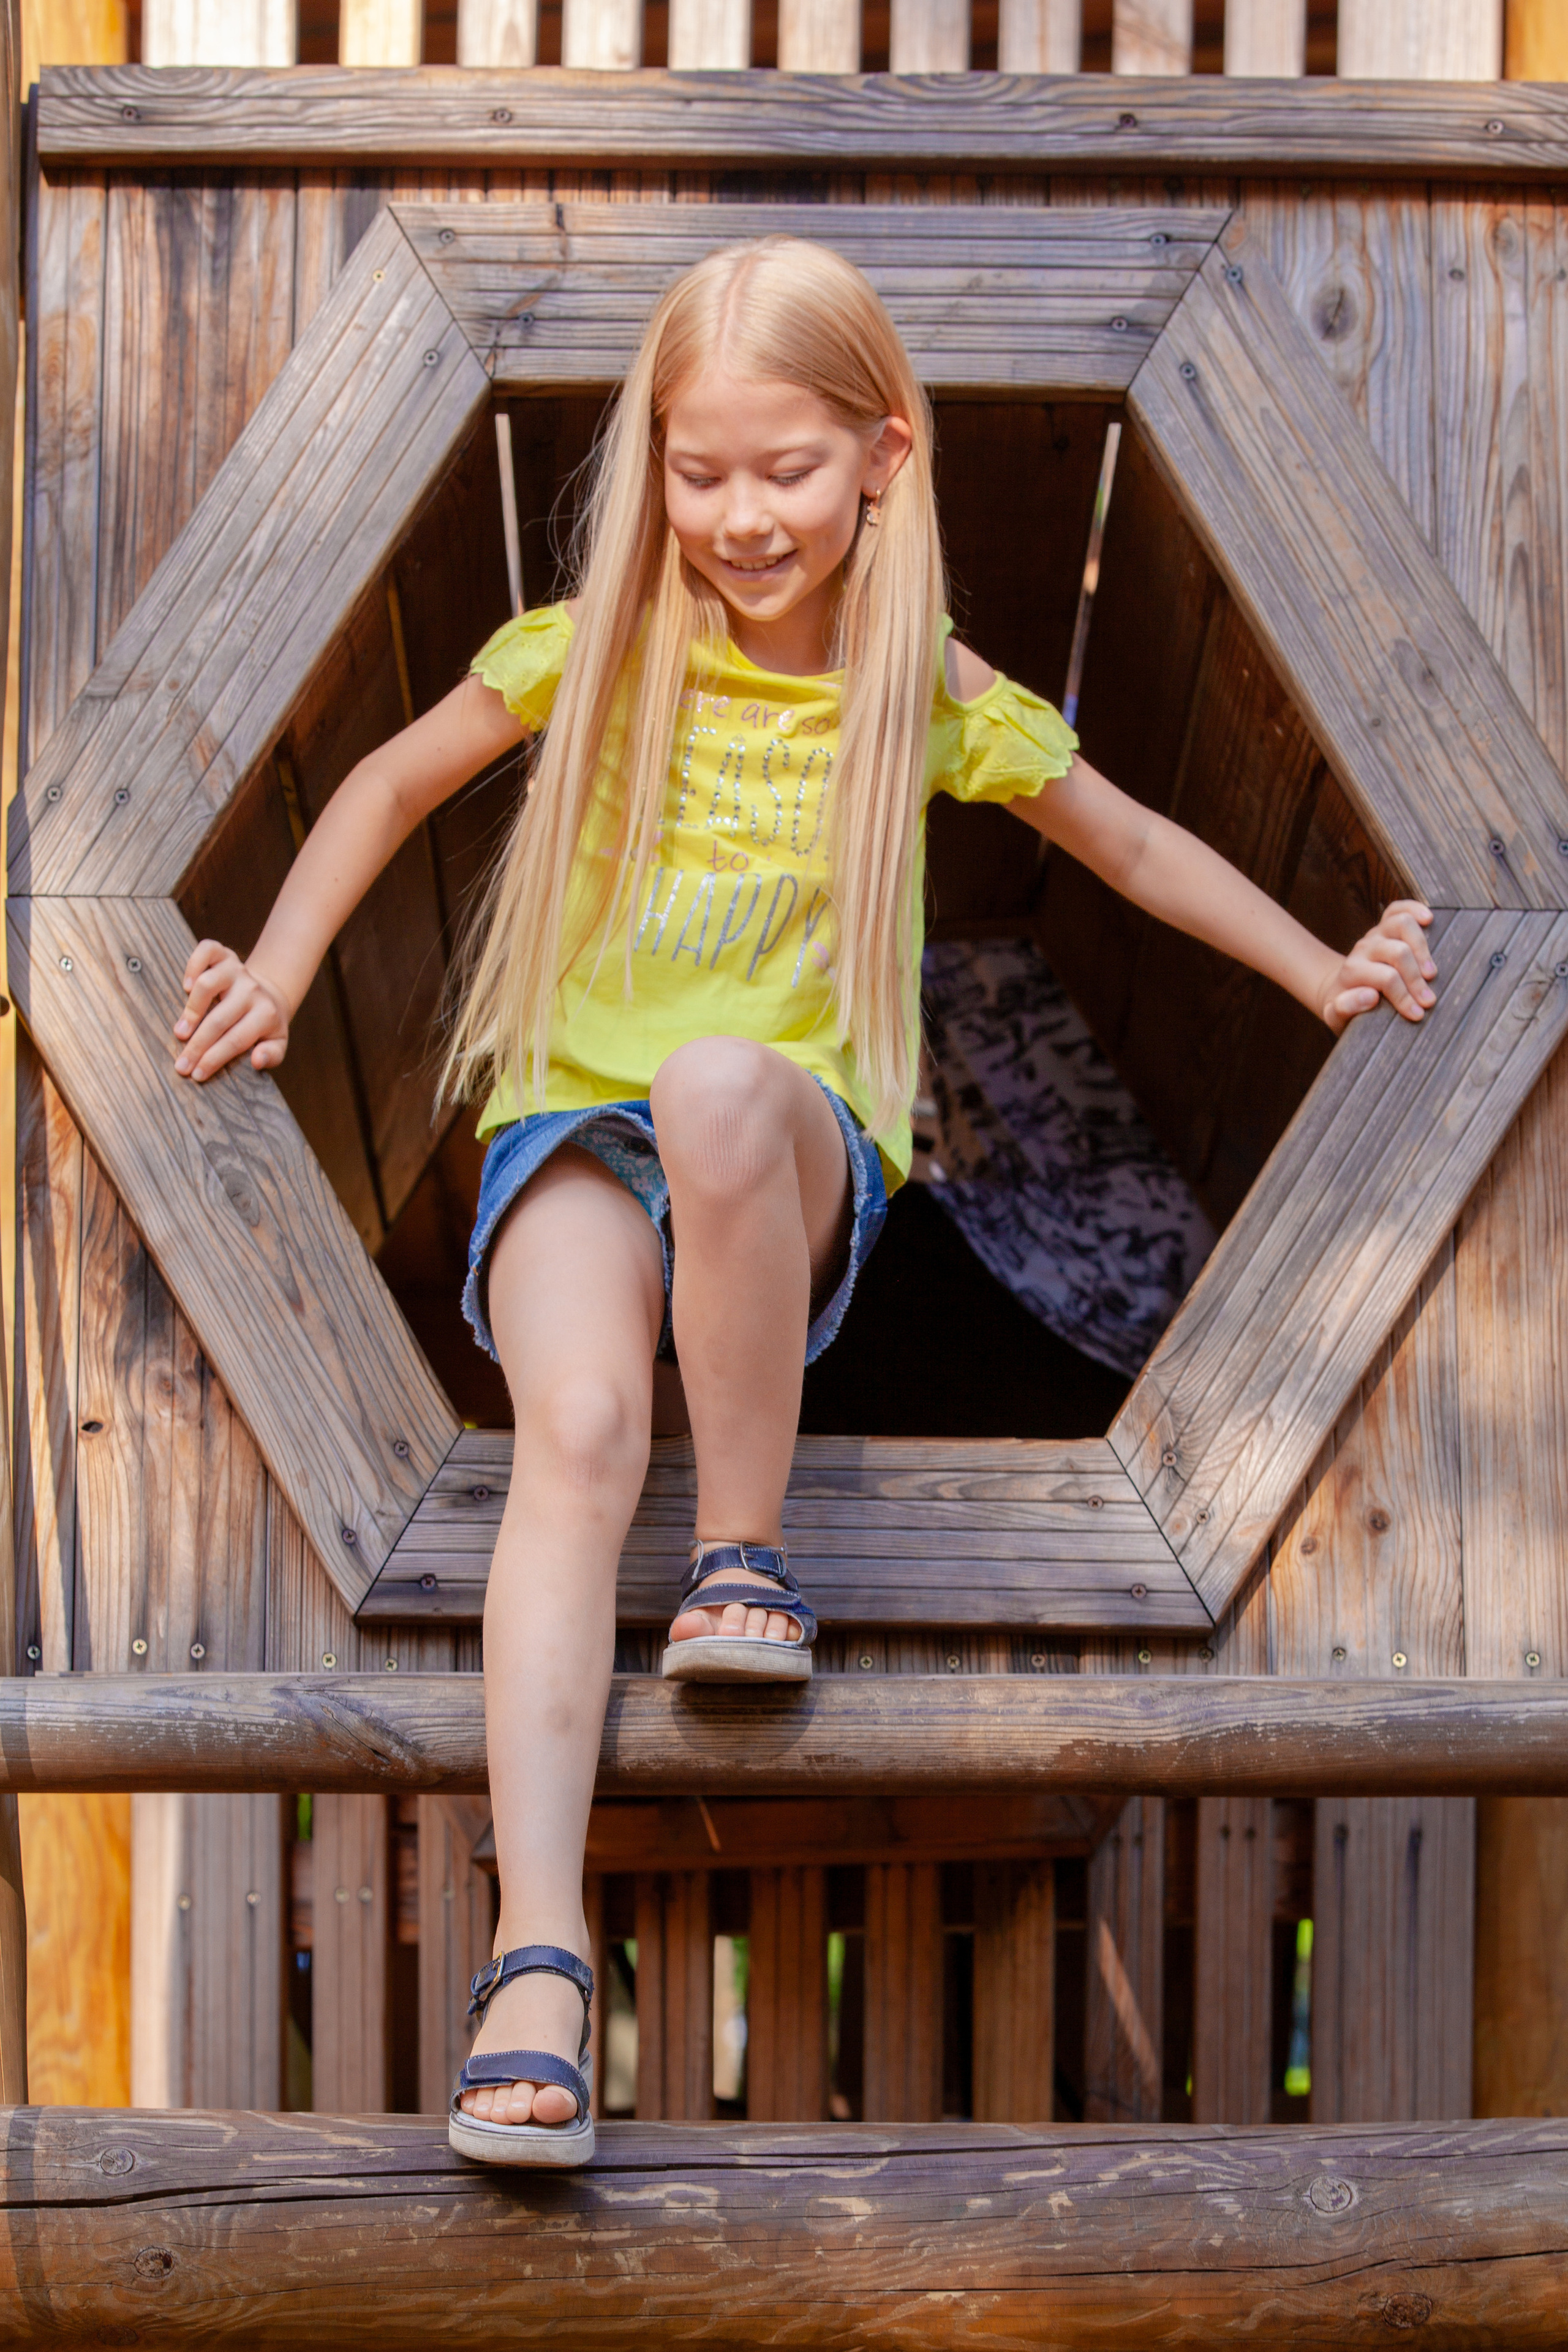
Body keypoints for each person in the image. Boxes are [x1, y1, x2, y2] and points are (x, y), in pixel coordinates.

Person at [170, 235, 1438, 2167]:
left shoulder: (914, 687)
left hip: (788, 1148)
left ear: (882, 460)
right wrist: (268, 966)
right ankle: (536, 1954)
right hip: (565, 1132)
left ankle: (741, 1554)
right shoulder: (590, 650)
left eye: (784, 469)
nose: (739, 515)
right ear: (654, 460)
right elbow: (386, 784)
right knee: (576, 1427)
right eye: (699, 471)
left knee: (716, 1088)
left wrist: (1324, 967)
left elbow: (1137, 841)